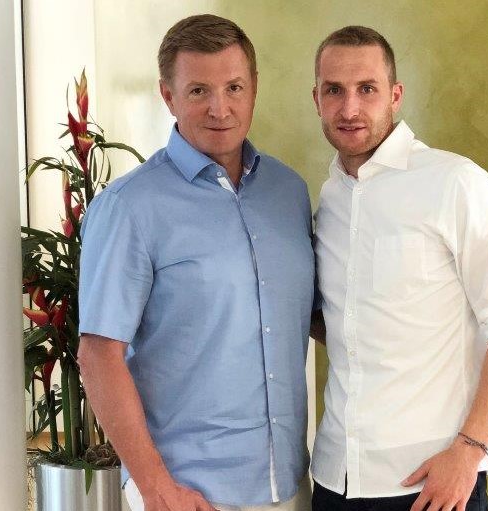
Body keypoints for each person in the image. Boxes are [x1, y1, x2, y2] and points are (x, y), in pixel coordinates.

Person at [77, 14, 314, 511]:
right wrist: (156, 488)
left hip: (290, 486)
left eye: (234, 87)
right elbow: (99, 357)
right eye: (199, 91)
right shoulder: (129, 207)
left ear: (254, 89)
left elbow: (311, 315)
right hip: (188, 493)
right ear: (168, 96)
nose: (220, 108)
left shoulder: (288, 191)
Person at [309, 26, 488, 511]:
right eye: (334, 90)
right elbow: (345, 322)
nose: (349, 108)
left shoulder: (455, 182)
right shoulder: (329, 199)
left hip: (432, 483)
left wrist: (470, 451)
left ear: (395, 95)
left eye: (367, 89)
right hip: (334, 479)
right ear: (317, 99)